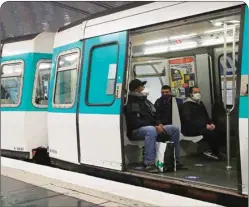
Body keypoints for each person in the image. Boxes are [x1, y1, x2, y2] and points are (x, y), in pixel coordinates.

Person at [124, 79, 183, 173]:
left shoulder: (146, 102)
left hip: (152, 126)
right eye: (142, 86)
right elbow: (134, 122)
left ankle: (176, 161)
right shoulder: (130, 103)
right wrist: (155, 126)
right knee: (151, 130)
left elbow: (154, 116)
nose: (144, 88)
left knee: (174, 129)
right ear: (136, 89)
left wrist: (158, 123)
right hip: (136, 130)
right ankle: (149, 163)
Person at [180, 86, 221, 160]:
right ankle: (214, 152)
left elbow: (206, 117)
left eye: (198, 92)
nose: (198, 94)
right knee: (209, 133)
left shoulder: (200, 104)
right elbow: (188, 120)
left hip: (202, 126)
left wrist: (211, 123)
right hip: (191, 129)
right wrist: (205, 126)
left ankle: (216, 151)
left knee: (218, 129)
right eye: (195, 92)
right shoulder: (186, 105)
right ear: (190, 94)